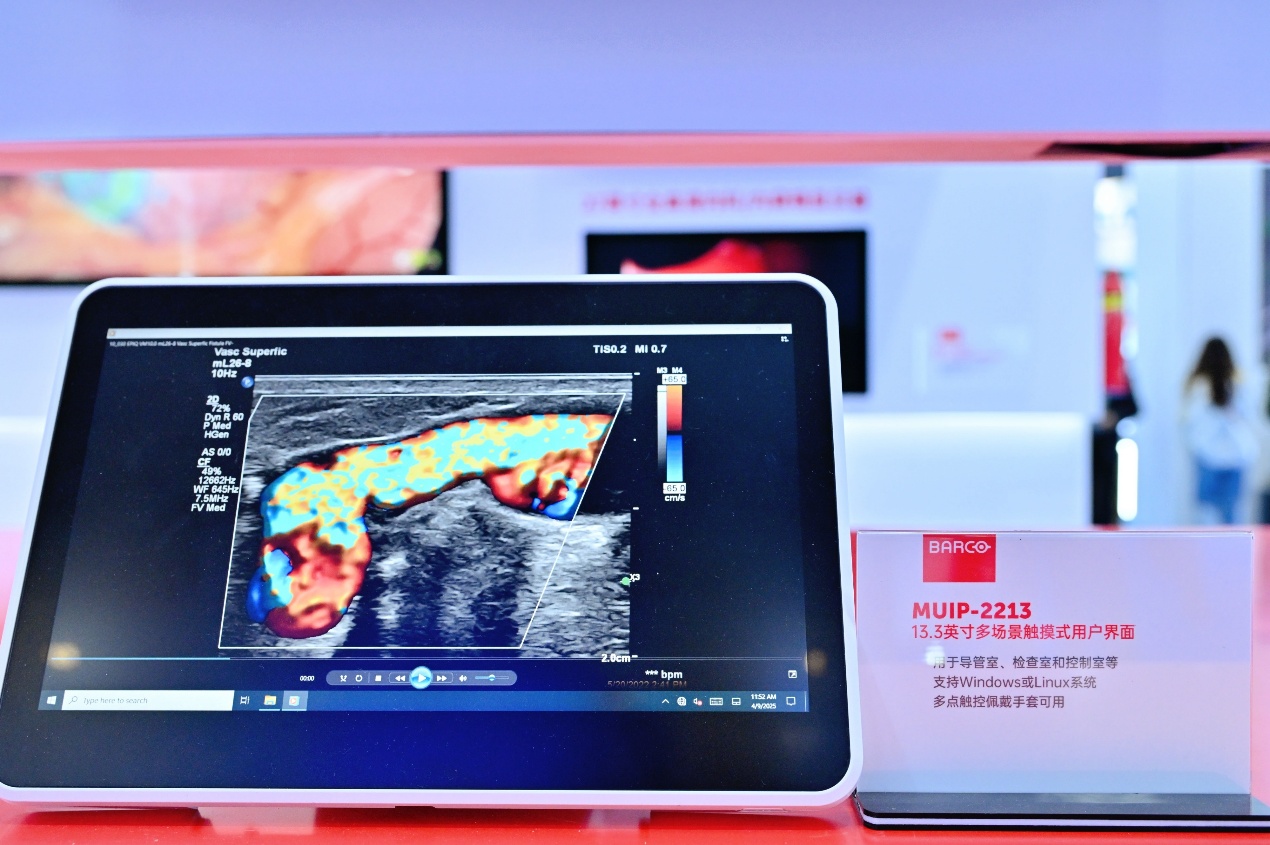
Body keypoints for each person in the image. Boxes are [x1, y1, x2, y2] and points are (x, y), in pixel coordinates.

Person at [1184, 337, 1257, 524]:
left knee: (1207, 514)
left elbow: (1189, 420)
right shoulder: (1235, 383)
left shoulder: (1201, 384)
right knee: (1229, 513)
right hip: (1226, 456)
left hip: (1216, 455)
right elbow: (1248, 416)